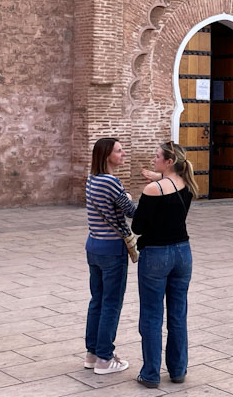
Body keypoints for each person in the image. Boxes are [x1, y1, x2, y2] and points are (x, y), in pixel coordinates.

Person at [132, 141, 197, 389]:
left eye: (157, 156)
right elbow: (171, 183)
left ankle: (150, 374)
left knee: (151, 315)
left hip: (156, 255)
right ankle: (178, 370)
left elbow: (137, 227)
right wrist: (158, 176)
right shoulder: (188, 185)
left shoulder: (152, 190)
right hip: (183, 253)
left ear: (169, 162)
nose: (153, 159)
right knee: (178, 314)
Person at [84, 138, 137, 374]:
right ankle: (105, 358)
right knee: (111, 303)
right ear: (107, 156)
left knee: (97, 301)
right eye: (119, 150)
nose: (123, 153)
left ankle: (92, 353)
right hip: (112, 250)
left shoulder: (92, 179)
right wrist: (129, 195)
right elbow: (131, 211)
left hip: (93, 246)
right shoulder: (111, 182)